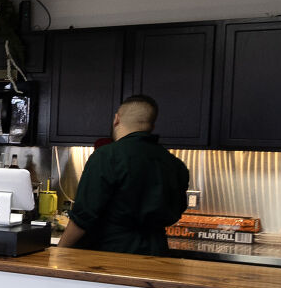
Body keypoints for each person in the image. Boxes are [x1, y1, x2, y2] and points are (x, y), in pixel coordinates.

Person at [60, 95, 189, 256]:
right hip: (158, 253)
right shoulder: (175, 164)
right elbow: (177, 211)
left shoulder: (107, 156)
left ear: (116, 119)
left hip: (111, 255)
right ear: (152, 125)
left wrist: (59, 253)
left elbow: (83, 217)